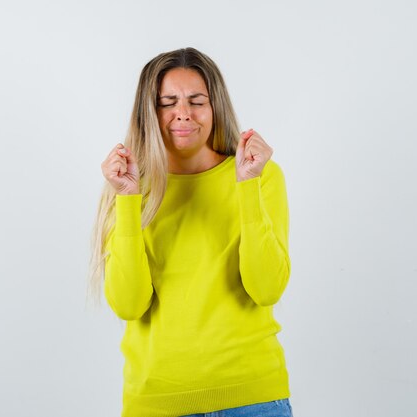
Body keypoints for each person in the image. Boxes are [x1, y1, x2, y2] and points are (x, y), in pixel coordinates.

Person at [89, 47, 294, 417]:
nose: (182, 112)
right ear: (148, 112)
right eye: (168, 102)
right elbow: (128, 304)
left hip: (252, 399)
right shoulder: (128, 189)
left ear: (216, 107)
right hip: (155, 403)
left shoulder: (261, 176)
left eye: (196, 100)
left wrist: (246, 185)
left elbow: (266, 289)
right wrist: (128, 199)